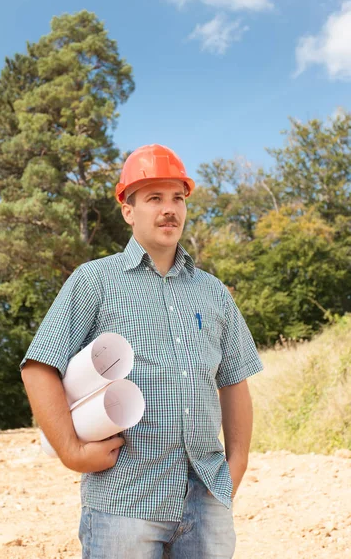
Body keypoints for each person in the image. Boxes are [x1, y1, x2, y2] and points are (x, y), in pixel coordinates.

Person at [21, 143, 263, 559]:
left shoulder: (213, 293)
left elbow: (234, 381)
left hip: (206, 498)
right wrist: (71, 452)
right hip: (125, 503)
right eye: (154, 198)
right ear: (128, 210)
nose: (169, 209)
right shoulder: (94, 281)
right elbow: (39, 367)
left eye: (178, 198)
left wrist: (234, 468)